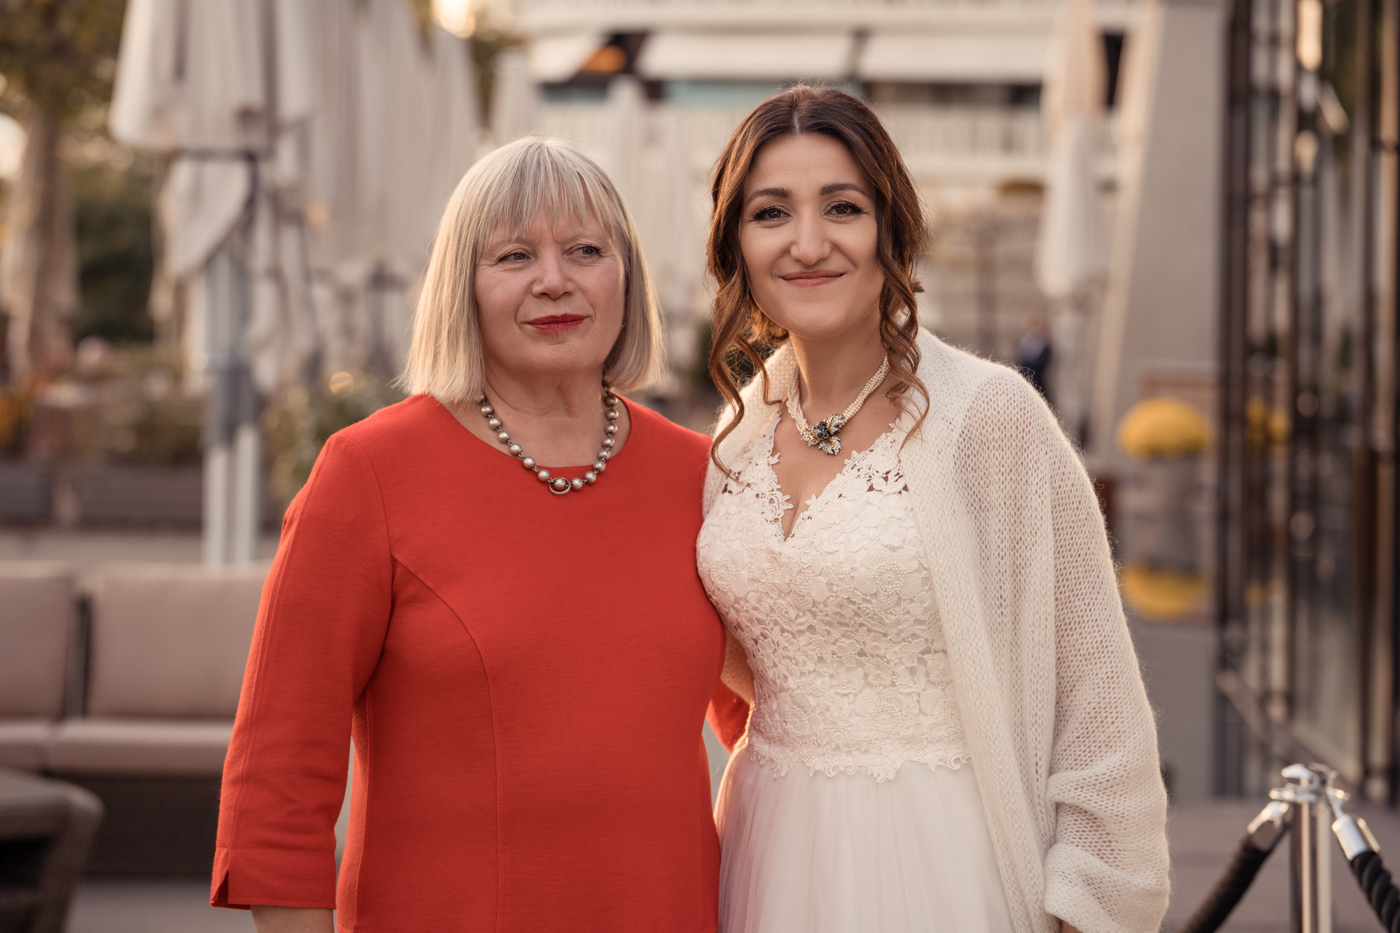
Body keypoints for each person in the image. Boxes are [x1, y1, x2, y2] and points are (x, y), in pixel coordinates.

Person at [213, 137, 730, 933]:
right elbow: (278, 776)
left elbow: (769, 728)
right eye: (514, 255)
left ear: (626, 275)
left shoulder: (704, 476)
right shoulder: (367, 474)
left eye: (585, 250)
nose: (554, 279)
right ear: (463, 285)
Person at [695, 87, 1169, 933]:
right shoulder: (735, 437)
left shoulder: (990, 417)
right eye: (772, 212)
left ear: (892, 228)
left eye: (843, 207)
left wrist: (1090, 905)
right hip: (766, 846)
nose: (809, 242)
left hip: (942, 859)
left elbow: (1098, 697)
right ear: (738, 244)